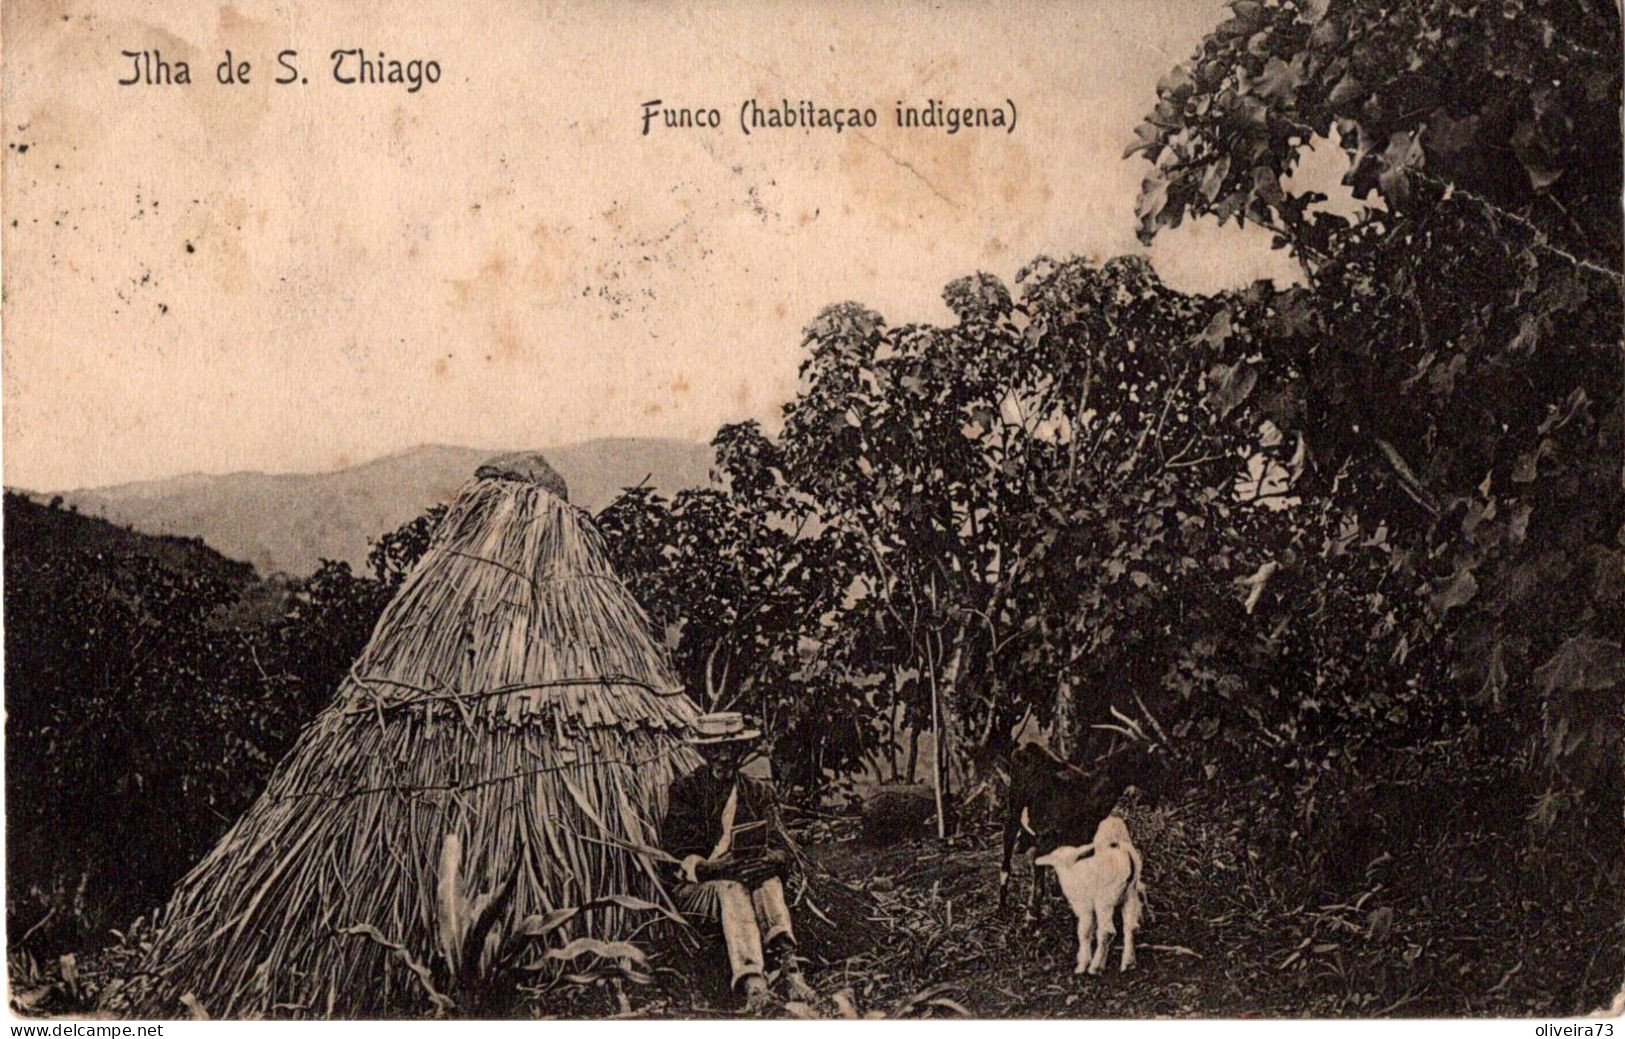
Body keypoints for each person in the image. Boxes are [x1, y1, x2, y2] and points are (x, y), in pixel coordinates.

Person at [661, 712, 812, 1011]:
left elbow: (782, 847)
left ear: (741, 752)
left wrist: (771, 860)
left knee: (767, 881)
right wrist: (714, 867)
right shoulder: (686, 791)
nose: (724, 756)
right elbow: (678, 855)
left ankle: (790, 966)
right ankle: (752, 979)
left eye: (731, 749)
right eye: (716, 749)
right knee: (733, 888)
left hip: (749, 874)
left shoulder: (757, 792)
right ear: (704, 752)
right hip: (701, 887)